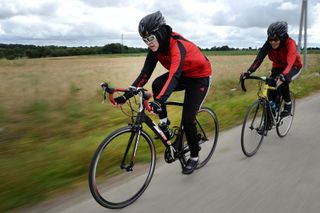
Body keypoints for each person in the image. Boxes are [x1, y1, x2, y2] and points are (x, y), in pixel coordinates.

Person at [114, 11, 212, 175]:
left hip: (199, 78)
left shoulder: (176, 45)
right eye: (145, 40)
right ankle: (165, 124)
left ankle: (194, 157)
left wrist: (158, 101)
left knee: (188, 120)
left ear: (160, 32)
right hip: (183, 75)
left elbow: (174, 76)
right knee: (157, 84)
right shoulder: (155, 49)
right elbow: (145, 74)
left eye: (151, 38)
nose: (149, 43)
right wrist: (125, 96)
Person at [240, 21, 302, 126]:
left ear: (282, 38)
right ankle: (269, 119)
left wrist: (283, 76)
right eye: (270, 39)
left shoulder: (290, 44)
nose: (272, 42)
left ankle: (288, 104)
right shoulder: (268, 44)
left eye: (275, 39)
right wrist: (249, 71)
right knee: (270, 90)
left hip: (293, 67)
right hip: (278, 67)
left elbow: (290, 61)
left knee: (283, 81)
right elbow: (258, 59)